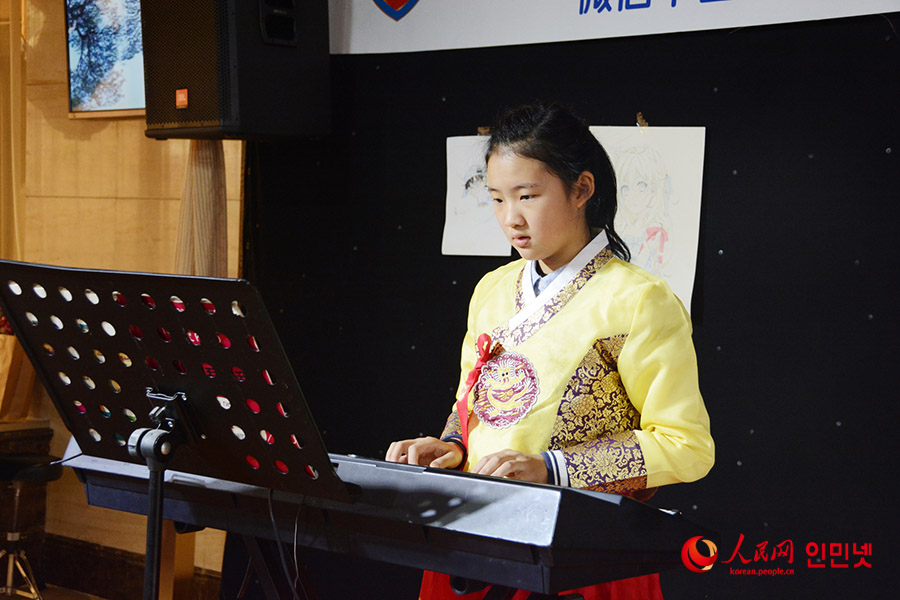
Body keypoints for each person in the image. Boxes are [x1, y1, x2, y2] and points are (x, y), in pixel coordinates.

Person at [386, 102, 714, 600]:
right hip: (473, 531)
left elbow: (686, 446)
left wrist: (551, 467)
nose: (510, 218)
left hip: (578, 552)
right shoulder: (492, 289)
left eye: (527, 196)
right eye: (497, 199)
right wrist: (453, 447)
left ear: (581, 189)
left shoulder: (638, 299)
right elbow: (471, 406)